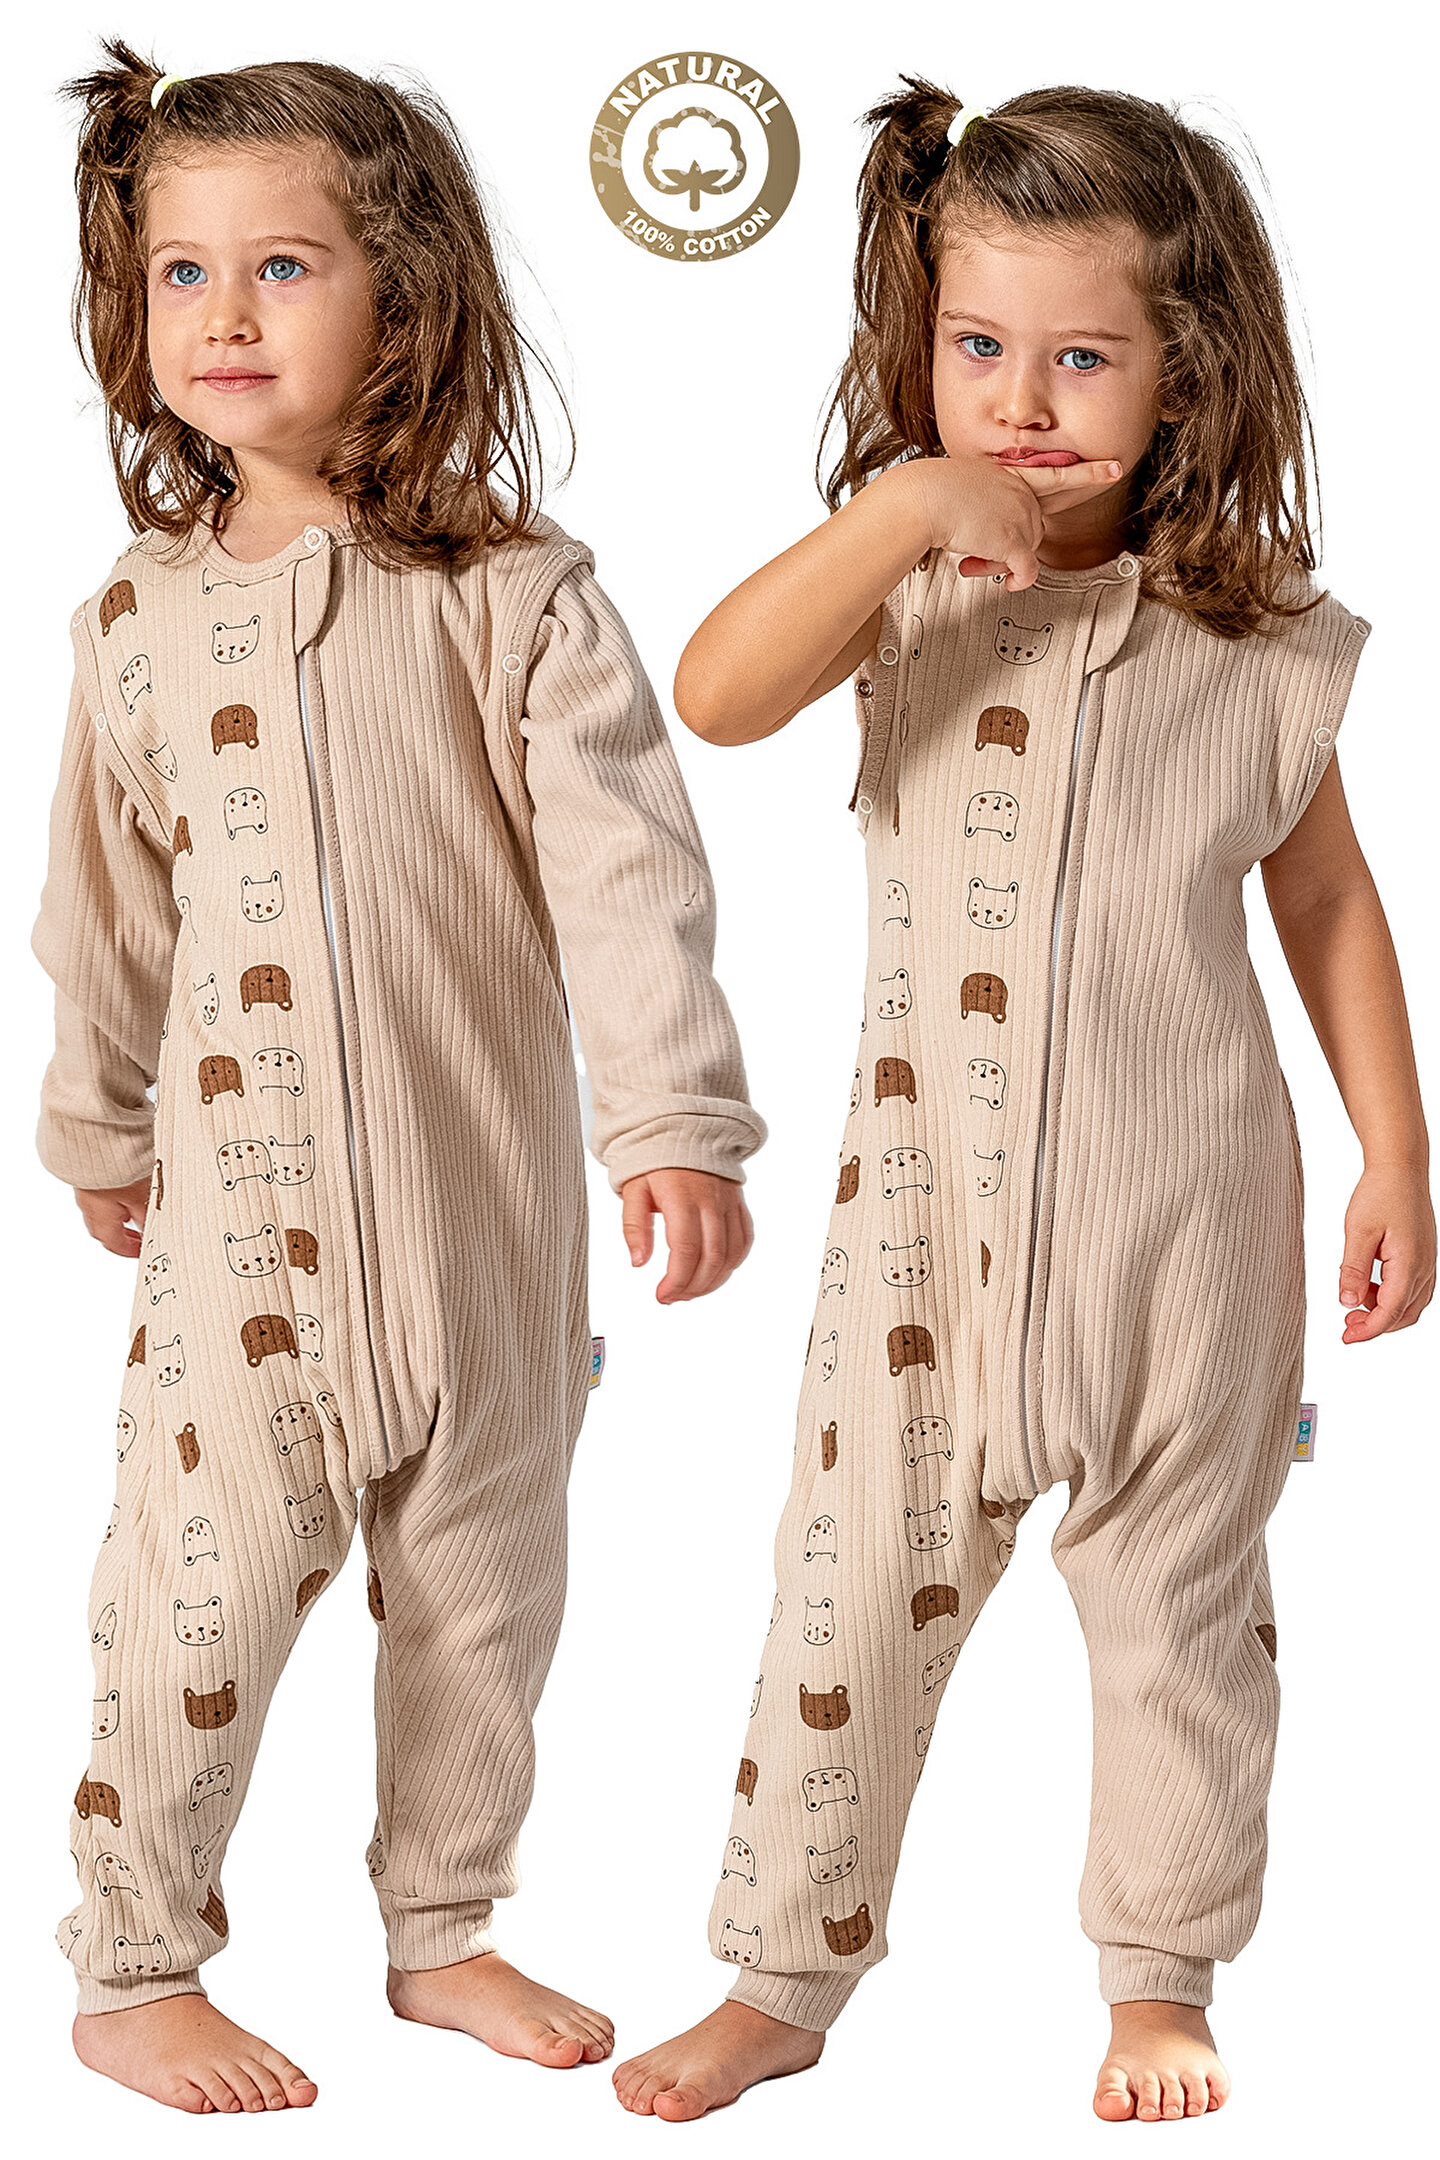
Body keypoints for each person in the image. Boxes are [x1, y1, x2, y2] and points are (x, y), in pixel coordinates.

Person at [612, 78, 1434, 2126]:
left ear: (1185, 369)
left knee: (1185, 1625)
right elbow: (712, 695)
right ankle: (782, 1979)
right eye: (978, 345)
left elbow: (1328, 900)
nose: (1024, 400)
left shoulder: (1259, 640)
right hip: (923, 1236)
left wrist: (1395, 1153)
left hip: (1191, 1224)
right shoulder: (900, 589)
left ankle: (1162, 1985)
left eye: (1084, 357)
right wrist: (902, 511)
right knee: (843, 1609)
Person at [37, 38, 765, 2116]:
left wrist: (673, 1122)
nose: (224, 314)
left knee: (484, 1603)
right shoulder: (137, 624)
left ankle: (444, 1927)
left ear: (408, 297)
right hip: (242, 1244)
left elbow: (631, 877)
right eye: (181, 274)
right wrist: (96, 1120)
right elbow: (104, 905)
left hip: (485, 1228)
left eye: (283, 266)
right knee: (187, 1605)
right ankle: (133, 1963)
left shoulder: (517, 599)